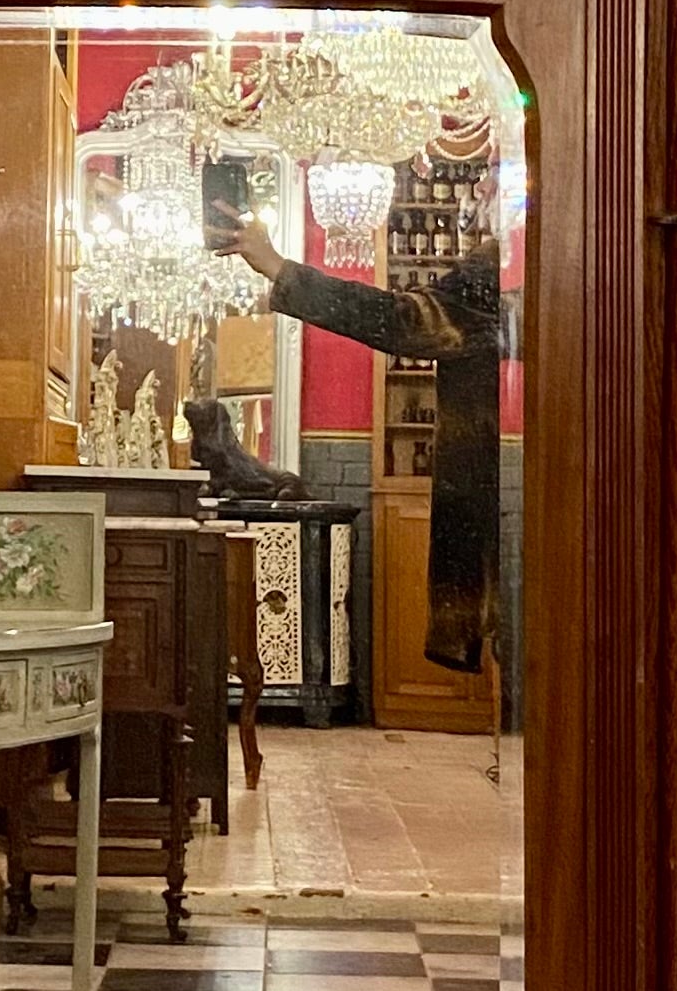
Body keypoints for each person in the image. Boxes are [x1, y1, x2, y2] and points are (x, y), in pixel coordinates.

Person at [204, 197, 507, 774]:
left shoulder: (511, 272)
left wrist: (280, 269)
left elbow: (402, 321)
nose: (484, 204)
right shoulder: (514, 268)